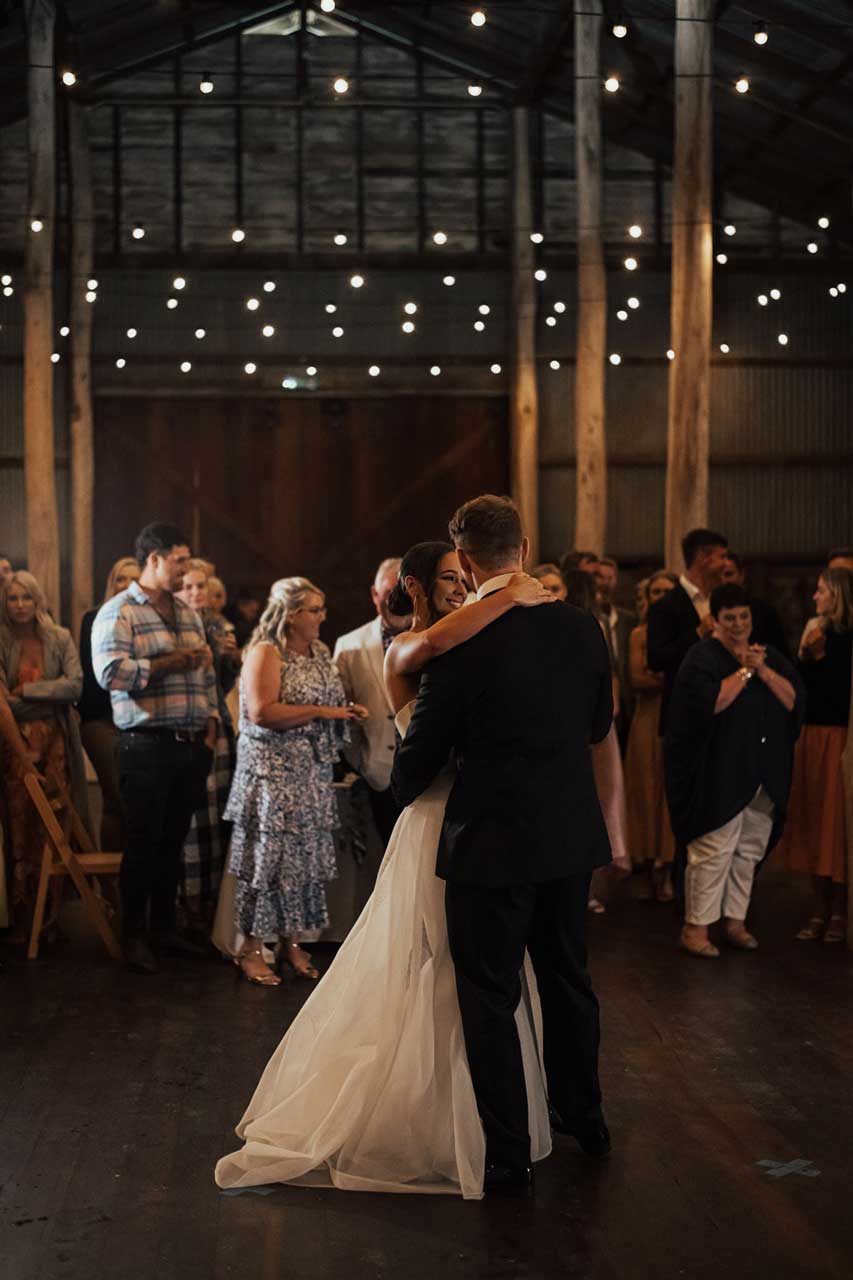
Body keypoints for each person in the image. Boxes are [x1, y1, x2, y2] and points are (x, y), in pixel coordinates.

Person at [214, 541, 556, 1199]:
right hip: (436, 814)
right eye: (450, 579)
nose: (463, 587)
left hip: (480, 819)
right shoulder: (412, 650)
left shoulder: (466, 641)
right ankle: (418, 1119)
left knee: (473, 970)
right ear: (418, 588)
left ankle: (484, 1118)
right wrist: (514, 594)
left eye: (466, 577)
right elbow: (419, 753)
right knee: (427, 960)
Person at [393, 495, 614, 1192]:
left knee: (488, 993)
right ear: (523, 545)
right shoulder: (582, 630)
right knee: (568, 981)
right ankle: (586, 1116)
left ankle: (509, 1151)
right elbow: (597, 722)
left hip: (489, 841)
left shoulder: (461, 642)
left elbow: (411, 770)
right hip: (568, 832)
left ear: (462, 559)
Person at [223, 576, 365, 986]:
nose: (323, 617)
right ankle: (249, 947)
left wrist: (343, 712)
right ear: (291, 614)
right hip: (272, 776)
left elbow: (327, 704)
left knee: (303, 864)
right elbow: (262, 712)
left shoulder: (319, 651)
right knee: (265, 863)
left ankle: (292, 942)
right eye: (315, 610)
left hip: (311, 773)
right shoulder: (267, 652)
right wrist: (321, 712)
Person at [92, 522, 219, 975]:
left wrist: (209, 726)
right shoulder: (119, 612)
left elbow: (203, 672)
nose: (187, 569)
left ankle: (165, 931)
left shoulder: (187, 613)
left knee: (172, 842)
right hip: (143, 745)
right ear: (155, 559)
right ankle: (134, 935)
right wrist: (169, 663)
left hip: (188, 744)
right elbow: (110, 673)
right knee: (143, 842)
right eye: (180, 560)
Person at [665, 584, 803, 958]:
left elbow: (792, 701)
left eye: (744, 617)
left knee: (748, 850)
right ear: (715, 621)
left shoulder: (768, 655)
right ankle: (695, 928)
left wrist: (764, 671)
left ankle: (735, 922)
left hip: (762, 775)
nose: (739, 624)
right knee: (713, 849)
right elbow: (711, 704)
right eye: (730, 618)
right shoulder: (701, 658)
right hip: (719, 774)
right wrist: (745, 671)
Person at [0, 571, 90, 943]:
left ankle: (50, 917)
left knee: (54, 823)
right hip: (11, 741)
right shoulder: (2, 638)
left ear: (39, 600)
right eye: (13, 598)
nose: (20, 605)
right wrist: (36, 700)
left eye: (26, 598)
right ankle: (20, 915)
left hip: (55, 740)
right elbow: (2, 703)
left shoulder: (59, 636)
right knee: (18, 824)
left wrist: (29, 690)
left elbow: (75, 685)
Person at [778, 568, 853, 943]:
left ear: (837, 595)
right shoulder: (812, 628)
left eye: (822, 590)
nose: (815, 596)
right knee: (813, 818)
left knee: (835, 822)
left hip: (840, 734)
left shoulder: (845, 635)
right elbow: (802, 684)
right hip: (812, 733)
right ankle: (819, 905)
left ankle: (839, 909)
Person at [175, 559, 236, 934]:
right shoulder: (178, 630)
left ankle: (213, 905)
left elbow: (223, 684)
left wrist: (230, 658)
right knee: (193, 820)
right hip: (192, 726)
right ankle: (189, 905)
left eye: (202, 586)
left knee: (218, 819)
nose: (196, 593)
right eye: (188, 586)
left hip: (221, 728)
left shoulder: (218, 627)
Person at [333, 557, 411, 848]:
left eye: (399, 591)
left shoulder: (434, 636)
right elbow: (341, 712)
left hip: (431, 774)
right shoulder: (349, 645)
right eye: (387, 592)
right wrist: (360, 760)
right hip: (378, 773)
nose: (393, 600)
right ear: (374, 595)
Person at [564, 568, 632, 895]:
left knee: (602, 800)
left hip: (591, 727)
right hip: (563, 729)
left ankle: (593, 884)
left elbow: (610, 676)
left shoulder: (592, 625)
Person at [78, 556, 140, 850]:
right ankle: (111, 890)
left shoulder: (145, 621)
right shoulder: (94, 617)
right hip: (101, 718)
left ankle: (134, 883)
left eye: (133, 579)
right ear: (111, 583)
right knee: (116, 797)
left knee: (139, 801)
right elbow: (92, 678)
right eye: (120, 579)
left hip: (137, 720)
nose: (126, 585)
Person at [624, 572, 678, 900]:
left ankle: (669, 866)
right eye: (655, 591)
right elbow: (637, 678)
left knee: (670, 793)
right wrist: (668, 678)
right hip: (647, 718)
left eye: (666, 592)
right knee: (646, 789)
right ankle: (648, 860)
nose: (660, 597)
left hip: (675, 718)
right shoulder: (638, 634)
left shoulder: (684, 635)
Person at [647, 527, 729, 733]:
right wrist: (697, 634)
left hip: (722, 713)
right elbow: (656, 659)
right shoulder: (666, 605)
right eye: (722, 557)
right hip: (684, 714)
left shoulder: (721, 600)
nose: (726, 565)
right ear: (703, 557)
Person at [596, 555, 636, 750]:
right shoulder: (588, 619)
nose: (605, 583)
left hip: (628, 698)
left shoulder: (628, 619)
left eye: (610, 578)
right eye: (600, 577)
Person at [720, 552, 789, 656]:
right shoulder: (708, 611)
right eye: (717, 575)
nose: (723, 580)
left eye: (728, 574)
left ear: (742, 575)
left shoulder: (764, 612)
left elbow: (781, 656)